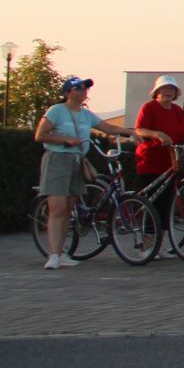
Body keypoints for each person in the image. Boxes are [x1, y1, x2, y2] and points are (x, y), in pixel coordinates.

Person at [34, 77, 139, 268]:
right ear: (67, 93)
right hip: (58, 159)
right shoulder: (56, 111)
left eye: (85, 88)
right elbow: (40, 135)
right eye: (78, 88)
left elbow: (107, 127)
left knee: (68, 209)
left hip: (77, 161)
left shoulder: (86, 114)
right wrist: (66, 140)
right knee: (57, 208)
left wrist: (130, 132)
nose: (83, 91)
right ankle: (53, 255)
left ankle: (62, 252)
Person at [133, 75, 184, 256]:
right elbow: (140, 129)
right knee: (153, 202)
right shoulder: (149, 108)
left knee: (167, 204)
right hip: (151, 161)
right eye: (164, 89)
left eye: (171, 89)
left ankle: (157, 246)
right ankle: (147, 246)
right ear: (156, 92)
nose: (167, 92)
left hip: (172, 161)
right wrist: (157, 133)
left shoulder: (177, 111)